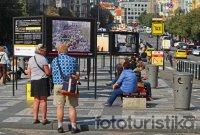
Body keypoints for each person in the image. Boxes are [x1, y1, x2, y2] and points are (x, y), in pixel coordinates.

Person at [51, 44, 80, 134]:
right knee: (72, 107)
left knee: (60, 107)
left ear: (58, 52)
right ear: (67, 51)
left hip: (58, 85)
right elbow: (77, 70)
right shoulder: (73, 59)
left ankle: (60, 127)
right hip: (70, 85)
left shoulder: (55, 60)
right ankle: (74, 127)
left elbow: (52, 71)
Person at [27, 44, 51, 125]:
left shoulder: (30, 59)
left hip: (34, 81)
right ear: (41, 50)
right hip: (42, 80)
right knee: (43, 100)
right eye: (44, 50)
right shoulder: (43, 59)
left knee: (36, 100)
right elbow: (47, 72)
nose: (45, 52)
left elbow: (28, 72)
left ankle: (35, 118)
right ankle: (44, 119)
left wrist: (31, 78)